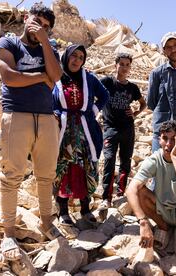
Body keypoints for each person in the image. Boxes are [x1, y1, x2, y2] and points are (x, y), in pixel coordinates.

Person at [0, 3, 63, 261]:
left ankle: (47, 223)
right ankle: (9, 233)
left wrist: (45, 42)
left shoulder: (50, 47)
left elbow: (55, 76)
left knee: (46, 175)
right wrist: (39, 76)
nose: (40, 29)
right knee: (11, 175)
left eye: (46, 27)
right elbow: (10, 78)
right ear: (26, 18)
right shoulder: (8, 43)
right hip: (17, 115)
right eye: (37, 22)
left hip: (45, 118)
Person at [125, 120, 176, 261]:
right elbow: (131, 189)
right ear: (159, 139)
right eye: (165, 138)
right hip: (162, 209)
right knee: (140, 191)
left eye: (173, 139)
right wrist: (143, 222)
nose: (168, 144)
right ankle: (163, 227)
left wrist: (174, 157)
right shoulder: (154, 160)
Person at [53, 44, 109, 226]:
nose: (77, 60)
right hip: (63, 132)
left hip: (86, 132)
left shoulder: (89, 78)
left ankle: (85, 208)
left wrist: (93, 109)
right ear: (66, 57)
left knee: (87, 167)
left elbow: (104, 95)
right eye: (73, 56)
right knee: (63, 169)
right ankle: (63, 211)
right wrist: (54, 113)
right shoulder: (55, 77)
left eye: (80, 57)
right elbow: (46, 98)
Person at [98, 53, 147, 210]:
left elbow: (143, 104)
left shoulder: (132, 88)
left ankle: (120, 192)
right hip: (110, 128)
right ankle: (106, 197)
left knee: (125, 161)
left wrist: (135, 114)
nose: (124, 67)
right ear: (115, 65)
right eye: (122, 64)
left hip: (127, 128)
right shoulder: (106, 82)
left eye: (127, 64)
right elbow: (94, 95)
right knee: (109, 159)